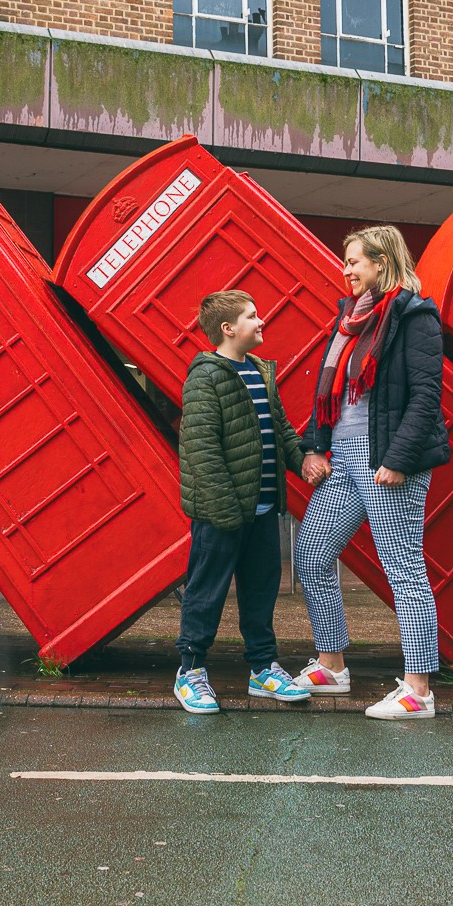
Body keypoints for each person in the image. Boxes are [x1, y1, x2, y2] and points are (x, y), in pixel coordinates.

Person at [290, 226, 449, 720]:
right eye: (347, 262)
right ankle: (332, 664)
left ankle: (418, 692)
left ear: (382, 263)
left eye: (355, 261)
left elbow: (426, 398)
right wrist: (314, 447)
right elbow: (330, 392)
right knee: (312, 554)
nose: (346, 270)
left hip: (386, 461)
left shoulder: (416, 316)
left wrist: (398, 460)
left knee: (404, 572)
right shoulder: (349, 321)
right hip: (343, 458)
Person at [172, 290, 313, 714]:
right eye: (253, 316)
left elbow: (281, 428)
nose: (261, 321)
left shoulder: (259, 371)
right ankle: (189, 672)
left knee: (261, 591)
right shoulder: (206, 375)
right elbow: (201, 449)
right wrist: (226, 510)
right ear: (228, 329)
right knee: (206, 591)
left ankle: (262, 669)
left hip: (265, 508)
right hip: (223, 514)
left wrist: (302, 460)